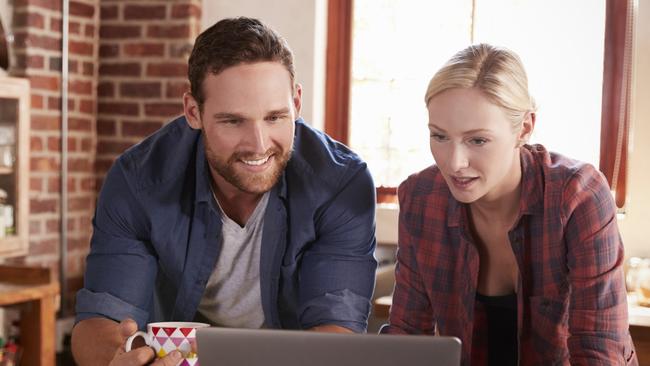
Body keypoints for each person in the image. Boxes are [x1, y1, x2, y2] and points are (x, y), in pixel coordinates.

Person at [71, 17, 377, 366]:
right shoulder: (138, 181)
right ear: (193, 112)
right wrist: (118, 358)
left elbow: (337, 334)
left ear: (296, 102)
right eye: (233, 121)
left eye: (275, 117)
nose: (259, 145)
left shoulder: (341, 184)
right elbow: (99, 323)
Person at [382, 43, 637, 365]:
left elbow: (598, 349)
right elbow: (407, 336)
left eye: (478, 140)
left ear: (525, 128)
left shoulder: (579, 197)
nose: (454, 162)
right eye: (440, 136)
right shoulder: (421, 197)